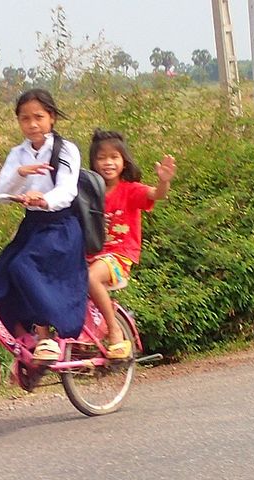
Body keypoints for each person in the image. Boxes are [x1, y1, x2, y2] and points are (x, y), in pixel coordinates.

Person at [0, 89, 87, 362]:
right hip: (32, 226)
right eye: (24, 119)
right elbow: (1, 191)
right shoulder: (17, 154)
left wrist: (43, 200)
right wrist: (20, 175)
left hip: (61, 227)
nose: (32, 124)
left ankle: (47, 338)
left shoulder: (66, 150)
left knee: (24, 267)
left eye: (38, 117)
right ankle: (25, 341)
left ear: (51, 118)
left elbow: (67, 191)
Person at [87, 129, 176, 359]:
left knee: (91, 277)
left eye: (114, 157)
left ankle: (114, 331)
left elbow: (156, 194)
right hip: (90, 255)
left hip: (118, 256)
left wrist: (163, 182)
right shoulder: (88, 193)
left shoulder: (130, 190)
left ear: (124, 161)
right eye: (101, 158)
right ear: (93, 162)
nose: (108, 163)